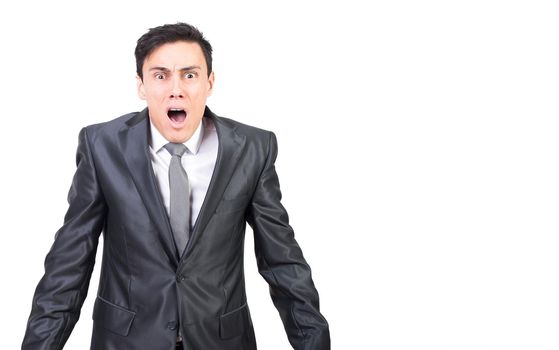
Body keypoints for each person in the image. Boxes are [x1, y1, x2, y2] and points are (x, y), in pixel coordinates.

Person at [21, 22, 330, 350]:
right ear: (141, 85)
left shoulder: (253, 149)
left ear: (210, 82)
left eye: (190, 74)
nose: (176, 89)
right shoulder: (102, 146)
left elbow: (282, 262)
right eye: (160, 75)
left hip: (221, 341)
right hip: (127, 341)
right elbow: (70, 262)